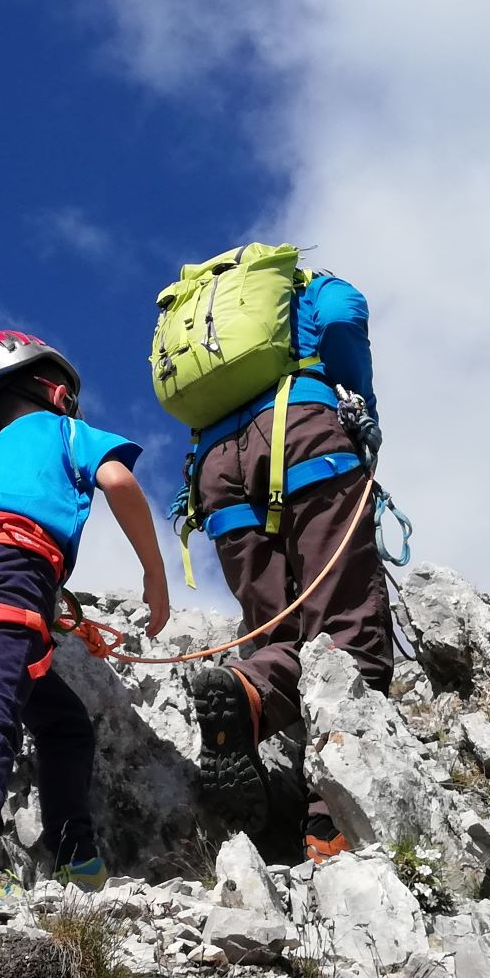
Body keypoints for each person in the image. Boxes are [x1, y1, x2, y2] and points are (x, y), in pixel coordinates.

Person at [0, 330, 170, 910]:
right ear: (56, 392)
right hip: (12, 566)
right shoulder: (64, 430)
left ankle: (74, 854)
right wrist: (154, 576)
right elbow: (119, 481)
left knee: (63, 723)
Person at [162, 251, 395, 861]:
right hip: (303, 432)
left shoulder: (196, 320)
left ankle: (247, 693)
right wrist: (360, 405)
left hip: (216, 471)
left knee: (276, 628)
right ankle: (332, 826)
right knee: (345, 623)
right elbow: (345, 323)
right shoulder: (313, 285)